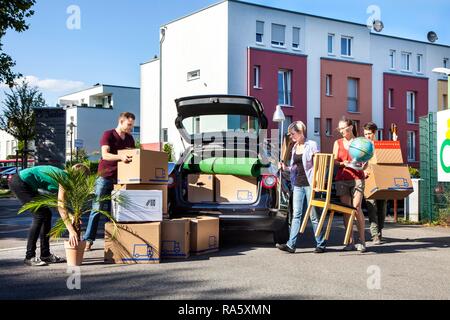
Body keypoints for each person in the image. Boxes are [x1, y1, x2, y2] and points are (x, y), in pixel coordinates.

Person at [8, 164, 88, 266]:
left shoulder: (65, 177)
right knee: (40, 215)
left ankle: (45, 254)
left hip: (27, 185)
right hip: (20, 183)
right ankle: (29, 256)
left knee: (46, 214)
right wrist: (71, 231)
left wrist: (72, 215)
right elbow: (60, 206)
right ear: (78, 177)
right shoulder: (64, 179)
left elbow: (58, 201)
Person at [82, 112, 136, 251]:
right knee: (97, 209)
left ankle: (113, 241)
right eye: (129, 125)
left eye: (132, 125)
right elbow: (105, 155)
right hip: (104, 177)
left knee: (116, 211)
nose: (131, 128)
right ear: (121, 121)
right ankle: (88, 240)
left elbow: (133, 156)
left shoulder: (130, 138)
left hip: (120, 179)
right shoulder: (108, 134)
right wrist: (121, 157)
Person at [276, 121, 327, 254]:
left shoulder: (312, 145)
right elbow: (294, 168)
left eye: (293, 134)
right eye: (290, 134)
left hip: (310, 184)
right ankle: (291, 245)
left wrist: (316, 182)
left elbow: (317, 165)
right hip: (297, 184)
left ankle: (320, 244)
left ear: (301, 132)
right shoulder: (294, 147)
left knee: (313, 215)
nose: (291, 136)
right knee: (296, 215)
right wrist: (285, 167)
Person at [333, 118, 367, 253]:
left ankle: (362, 241)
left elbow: (366, 160)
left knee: (356, 208)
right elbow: (334, 161)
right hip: (342, 179)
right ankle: (350, 242)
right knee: (346, 211)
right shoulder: (338, 143)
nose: (341, 131)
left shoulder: (360, 142)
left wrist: (365, 165)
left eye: (343, 128)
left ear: (351, 127)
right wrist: (343, 163)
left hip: (357, 178)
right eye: (339, 129)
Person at [363, 122, 386, 245]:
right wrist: (363, 170)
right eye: (365, 134)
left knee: (382, 209)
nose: (367, 136)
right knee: (372, 208)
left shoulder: (380, 146)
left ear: (375, 133)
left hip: (381, 179)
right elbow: (358, 162)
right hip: (369, 179)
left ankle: (380, 231)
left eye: (369, 134)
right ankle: (374, 235)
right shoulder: (362, 146)